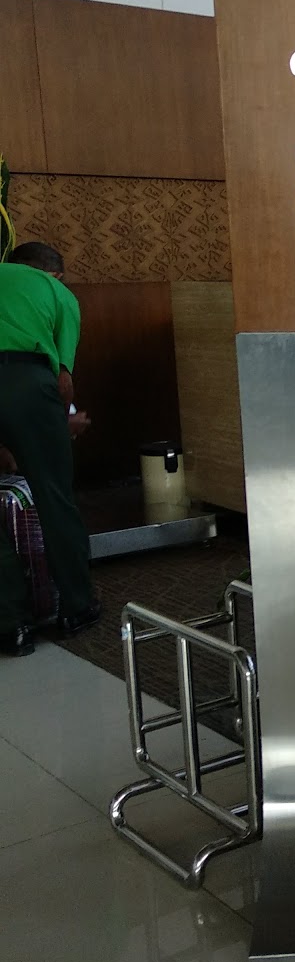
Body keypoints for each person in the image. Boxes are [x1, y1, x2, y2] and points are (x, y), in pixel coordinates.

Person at [0, 242, 101, 656]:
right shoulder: (58, 293)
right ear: (54, 274)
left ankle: (12, 626)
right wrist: (61, 426)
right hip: (28, 379)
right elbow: (63, 382)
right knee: (54, 497)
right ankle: (77, 607)